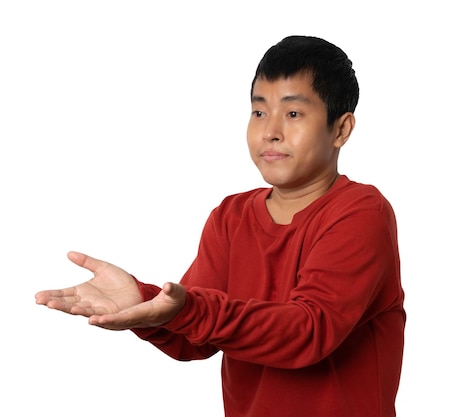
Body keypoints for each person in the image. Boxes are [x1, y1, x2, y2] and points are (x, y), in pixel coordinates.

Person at [36, 35, 406, 417]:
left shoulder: (361, 212)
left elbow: (308, 332)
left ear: (341, 130)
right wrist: (143, 300)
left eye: (293, 114)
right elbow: (194, 338)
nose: (270, 131)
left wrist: (187, 311)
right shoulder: (231, 217)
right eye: (259, 112)